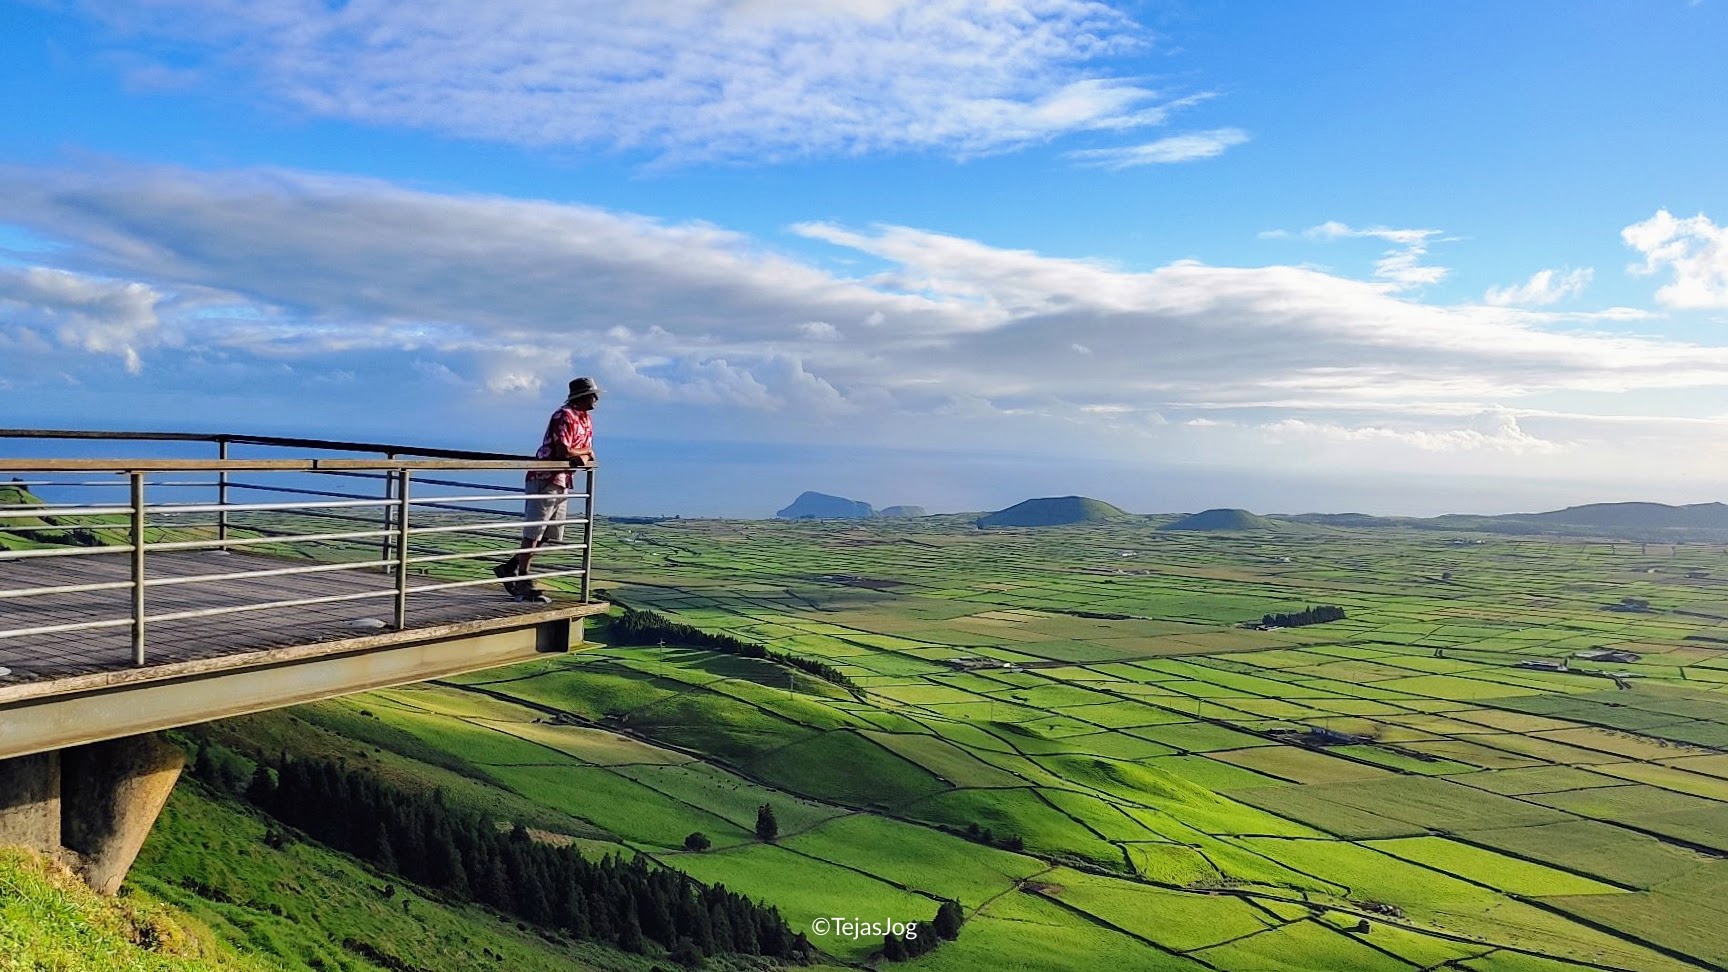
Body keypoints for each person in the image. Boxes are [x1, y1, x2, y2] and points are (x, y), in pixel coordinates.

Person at [495, 377, 598, 602]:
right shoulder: (564, 416)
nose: (596, 399)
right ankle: (522, 577)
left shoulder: (585, 419)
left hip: (562, 480)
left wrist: (583, 452)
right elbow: (563, 450)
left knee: (549, 532)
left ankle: (512, 568)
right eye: (592, 395)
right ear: (581, 397)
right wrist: (583, 453)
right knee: (535, 530)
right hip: (545, 477)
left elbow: (585, 451)